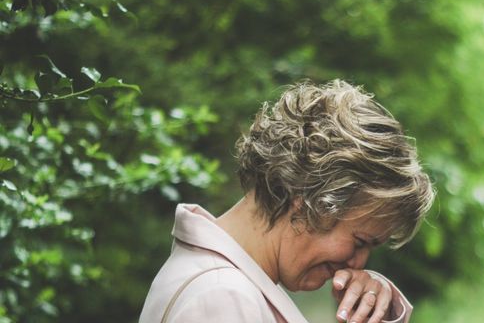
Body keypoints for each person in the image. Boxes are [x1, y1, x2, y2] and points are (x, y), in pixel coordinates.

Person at [139, 80, 434, 323]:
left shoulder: (224, 286)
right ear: (307, 199)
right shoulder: (223, 299)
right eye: (359, 241)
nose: (359, 263)